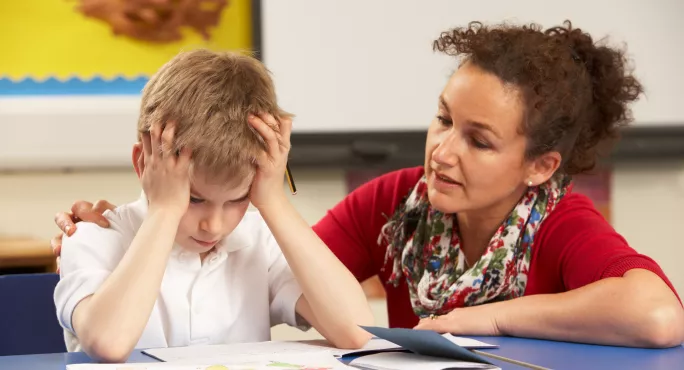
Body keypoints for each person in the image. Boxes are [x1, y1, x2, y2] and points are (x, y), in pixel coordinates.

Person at [53, 21, 684, 348]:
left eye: (479, 140)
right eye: (442, 120)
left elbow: (657, 314)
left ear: (540, 166)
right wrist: (159, 215)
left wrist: (481, 320)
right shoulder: (394, 203)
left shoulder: (560, 222)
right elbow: (302, 272)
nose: (442, 151)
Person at [52, 49, 373, 363]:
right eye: (194, 199)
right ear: (144, 163)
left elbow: (358, 333)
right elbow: (108, 343)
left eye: (237, 199)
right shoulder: (93, 235)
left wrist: (273, 200)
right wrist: (165, 210)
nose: (213, 225)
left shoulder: (260, 241)